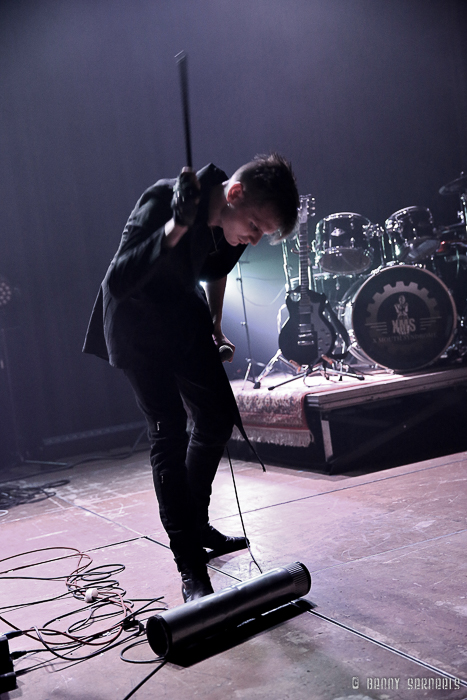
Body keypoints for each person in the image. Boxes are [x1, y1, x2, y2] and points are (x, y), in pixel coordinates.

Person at [83, 153, 299, 602]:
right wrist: (176, 227)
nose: (255, 240)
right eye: (257, 226)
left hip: (181, 315)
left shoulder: (231, 219)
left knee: (218, 417)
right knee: (169, 434)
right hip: (138, 324)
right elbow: (120, 280)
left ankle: (196, 523)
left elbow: (217, 267)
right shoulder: (165, 199)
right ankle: (189, 565)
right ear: (236, 195)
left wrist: (216, 326)